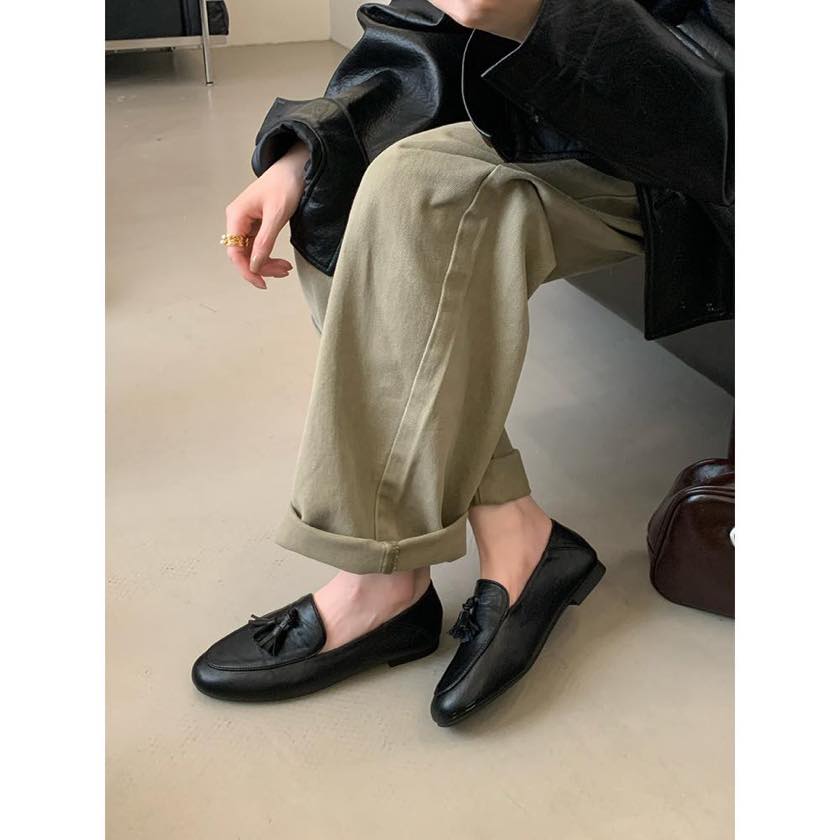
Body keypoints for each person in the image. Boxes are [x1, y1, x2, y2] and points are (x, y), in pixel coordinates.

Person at [192, 0, 734, 726]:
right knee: (339, 185)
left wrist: (539, 18)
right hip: (541, 116)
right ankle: (508, 534)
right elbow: (420, 29)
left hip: (684, 145)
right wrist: (303, 156)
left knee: (421, 185)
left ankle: (380, 580)